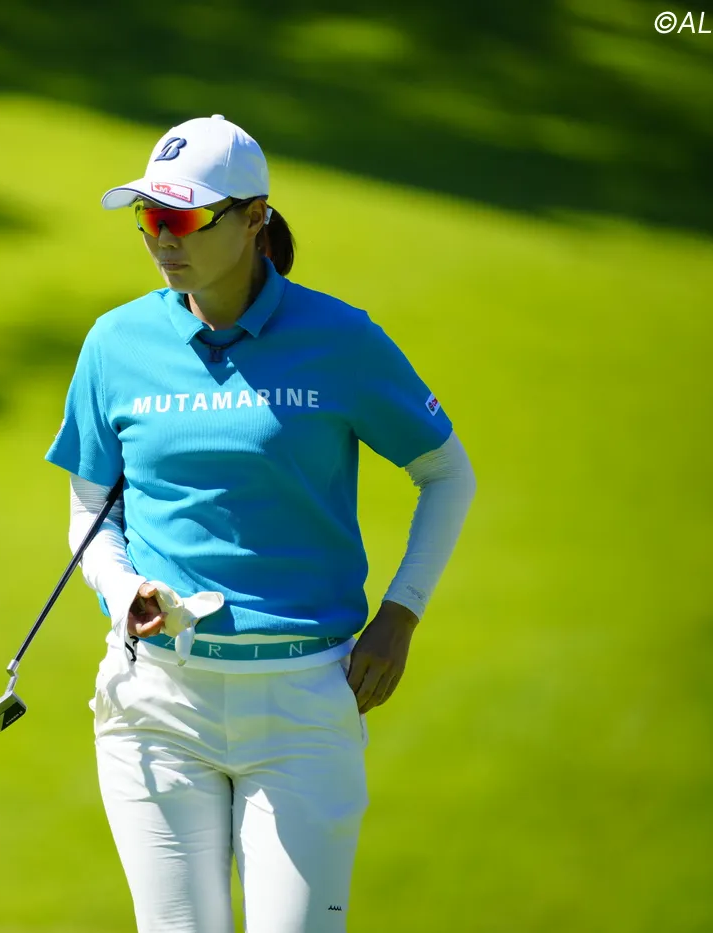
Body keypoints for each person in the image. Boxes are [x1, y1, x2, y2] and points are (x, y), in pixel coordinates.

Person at [44, 115, 477, 932]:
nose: (161, 238)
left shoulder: (341, 339)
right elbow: (89, 510)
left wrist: (402, 613)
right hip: (157, 701)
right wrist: (122, 587)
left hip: (304, 704)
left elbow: (448, 473)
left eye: (183, 218)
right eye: (149, 216)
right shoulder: (114, 343)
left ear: (253, 219)